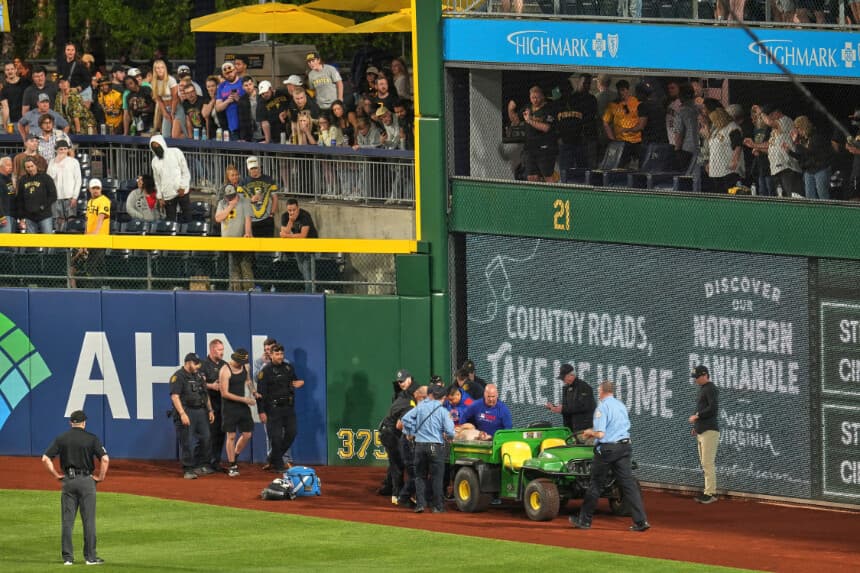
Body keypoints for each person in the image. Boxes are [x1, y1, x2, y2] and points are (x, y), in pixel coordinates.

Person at [569, 381, 650, 532]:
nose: (598, 394)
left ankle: (584, 521)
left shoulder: (602, 407)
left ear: (602, 391)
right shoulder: (620, 405)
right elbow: (613, 427)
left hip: (608, 450)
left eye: (599, 391)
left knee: (595, 485)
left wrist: (588, 433)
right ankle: (641, 521)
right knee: (628, 485)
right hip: (625, 447)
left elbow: (600, 434)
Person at [41, 409, 109, 566]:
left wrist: (56, 475)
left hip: (68, 482)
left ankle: (68, 558)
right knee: (89, 521)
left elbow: (45, 459)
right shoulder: (92, 439)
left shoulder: (62, 438)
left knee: (67, 521)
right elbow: (105, 459)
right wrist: (101, 477)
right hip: (87, 481)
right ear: (84, 422)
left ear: (71, 422)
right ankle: (90, 558)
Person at [401, 384, 456, 514]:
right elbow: (450, 432)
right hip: (435, 447)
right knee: (437, 477)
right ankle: (437, 507)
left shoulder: (420, 407)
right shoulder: (443, 411)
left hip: (419, 446)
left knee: (420, 476)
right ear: (442, 398)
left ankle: (420, 504)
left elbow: (405, 419)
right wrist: (447, 435)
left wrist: (412, 431)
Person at [257, 343, 305, 473]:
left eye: (281, 354)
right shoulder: (265, 371)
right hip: (273, 409)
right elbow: (260, 394)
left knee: (292, 433)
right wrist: (261, 411)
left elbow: (295, 381)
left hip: (288, 408)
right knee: (276, 437)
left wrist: (300, 383)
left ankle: (273, 457)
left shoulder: (288, 368)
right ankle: (278, 465)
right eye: (277, 354)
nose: (280, 356)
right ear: (271, 355)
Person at [170, 353, 215, 479]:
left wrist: (210, 410)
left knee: (206, 438)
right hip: (187, 411)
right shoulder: (178, 376)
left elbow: (205, 394)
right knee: (187, 441)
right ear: (188, 362)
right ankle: (188, 469)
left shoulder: (199, 376)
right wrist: (182, 414)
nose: (197, 366)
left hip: (200, 411)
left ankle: (200, 465)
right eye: (195, 363)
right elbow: (175, 396)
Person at [378, 373, 418, 502]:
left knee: (395, 461)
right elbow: (400, 425)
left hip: (390, 432)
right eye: (399, 382)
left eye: (403, 381)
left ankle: (389, 488)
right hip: (390, 433)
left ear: (410, 379)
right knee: (398, 463)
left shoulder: (405, 395)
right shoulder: (408, 401)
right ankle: (397, 494)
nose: (401, 384)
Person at [507, 86, 558, 182]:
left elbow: (546, 127)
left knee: (548, 177)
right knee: (531, 177)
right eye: (532, 97)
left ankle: (554, 196)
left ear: (542, 97)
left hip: (545, 149)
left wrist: (530, 121)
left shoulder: (549, 108)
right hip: (530, 149)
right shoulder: (528, 107)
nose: (534, 100)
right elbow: (516, 122)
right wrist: (510, 110)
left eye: (537, 97)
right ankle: (535, 197)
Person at [219, 348, 256, 477]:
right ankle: (232, 465)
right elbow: (224, 393)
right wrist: (244, 399)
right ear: (235, 359)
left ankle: (234, 456)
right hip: (229, 407)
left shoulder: (246, 366)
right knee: (231, 436)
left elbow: (248, 381)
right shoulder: (225, 370)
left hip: (242, 406)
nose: (243, 363)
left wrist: (254, 392)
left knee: (247, 434)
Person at [556, 73, 598, 179]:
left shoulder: (591, 99)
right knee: (567, 170)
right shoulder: (562, 102)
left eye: (589, 83)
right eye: (584, 83)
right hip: (567, 140)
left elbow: (589, 117)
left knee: (586, 169)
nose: (587, 86)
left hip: (584, 139)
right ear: (578, 82)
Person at [689, 365, 720, 504]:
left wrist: (697, 416)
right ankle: (708, 491)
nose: (695, 380)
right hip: (703, 430)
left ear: (705, 375)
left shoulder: (710, 388)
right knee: (705, 463)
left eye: (697, 377)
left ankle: (710, 493)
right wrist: (697, 426)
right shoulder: (704, 389)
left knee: (708, 463)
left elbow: (713, 409)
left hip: (709, 431)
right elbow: (703, 409)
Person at [214, 184, 254, 291]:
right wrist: (231, 206)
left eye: (232, 196)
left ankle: (249, 291)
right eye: (228, 197)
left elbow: (248, 219)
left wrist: (247, 233)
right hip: (229, 241)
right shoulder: (222, 203)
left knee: (245, 266)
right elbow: (218, 218)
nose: (230, 198)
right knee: (233, 268)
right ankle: (236, 291)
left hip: (242, 239)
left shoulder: (244, 201)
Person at [546, 363, 595, 444]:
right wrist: (555, 408)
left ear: (571, 375)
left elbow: (584, 406)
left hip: (584, 429)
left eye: (563, 378)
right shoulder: (566, 388)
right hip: (571, 430)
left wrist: (563, 409)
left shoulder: (584, 387)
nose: (563, 380)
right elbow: (567, 408)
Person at [787, 116, 833, 200]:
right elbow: (801, 156)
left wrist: (797, 143)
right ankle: (813, 212)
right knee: (809, 195)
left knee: (822, 193)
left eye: (797, 127)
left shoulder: (815, 136)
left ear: (803, 126)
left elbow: (811, 152)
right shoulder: (802, 139)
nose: (796, 130)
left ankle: (827, 212)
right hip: (809, 169)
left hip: (820, 168)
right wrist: (789, 152)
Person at [200, 339, 228, 472]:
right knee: (209, 435)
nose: (222, 352)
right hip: (208, 406)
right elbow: (198, 384)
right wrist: (212, 385)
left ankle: (216, 462)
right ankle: (205, 463)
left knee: (220, 434)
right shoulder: (203, 365)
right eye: (219, 350)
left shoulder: (224, 364)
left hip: (222, 406)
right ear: (212, 350)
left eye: (222, 350)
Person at [279, 198, 318, 293]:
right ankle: (310, 288)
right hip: (297, 245)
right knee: (302, 268)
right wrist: (291, 221)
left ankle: (310, 291)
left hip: (310, 244)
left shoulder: (305, 215)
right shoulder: (285, 216)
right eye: (289, 210)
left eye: (294, 210)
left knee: (307, 268)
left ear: (298, 208)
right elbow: (284, 234)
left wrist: (287, 235)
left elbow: (303, 236)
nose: (291, 212)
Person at [149, 134, 191, 222]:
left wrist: (183, 187)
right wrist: (160, 197)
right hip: (168, 195)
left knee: (187, 218)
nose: (156, 147)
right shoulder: (154, 162)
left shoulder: (176, 152)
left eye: (157, 144)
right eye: (153, 146)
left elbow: (185, 171)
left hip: (182, 192)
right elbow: (157, 181)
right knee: (170, 221)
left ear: (162, 143)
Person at [603, 80, 641, 168]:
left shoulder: (636, 102)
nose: (621, 93)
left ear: (628, 90)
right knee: (621, 166)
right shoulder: (613, 104)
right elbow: (605, 122)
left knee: (637, 167)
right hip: (621, 141)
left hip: (637, 140)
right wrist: (612, 139)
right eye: (619, 90)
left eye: (623, 90)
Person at [237, 155, 278, 238]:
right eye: (252, 169)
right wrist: (250, 200)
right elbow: (240, 202)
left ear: (259, 167)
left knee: (268, 248)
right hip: (251, 221)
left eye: (255, 168)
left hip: (267, 219)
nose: (254, 170)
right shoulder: (242, 183)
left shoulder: (269, 180)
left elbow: (275, 198)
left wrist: (272, 214)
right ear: (248, 169)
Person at [46, 139, 81, 232]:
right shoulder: (52, 162)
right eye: (61, 149)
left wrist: (75, 197)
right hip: (56, 197)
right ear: (56, 150)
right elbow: (49, 178)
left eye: (65, 149)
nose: (63, 151)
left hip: (70, 196)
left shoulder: (74, 162)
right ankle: (59, 244)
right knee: (58, 220)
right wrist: (57, 163)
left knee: (71, 219)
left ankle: (72, 244)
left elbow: (78, 180)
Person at [16, 156, 56, 234]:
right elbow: (20, 199)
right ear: (25, 168)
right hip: (29, 216)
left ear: (36, 165)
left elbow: (53, 195)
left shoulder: (46, 178)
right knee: (31, 243)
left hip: (44, 215)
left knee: (48, 241)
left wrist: (43, 206)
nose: (30, 169)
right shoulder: (23, 180)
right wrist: (21, 217)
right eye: (28, 167)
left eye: (32, 166)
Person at [215, 61, 244, 140]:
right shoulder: (221, 86)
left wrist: (239, 100)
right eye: (226, 73)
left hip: (245, 123)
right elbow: (217, 107)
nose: (229, 74)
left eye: (230, 71)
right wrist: (228, 101)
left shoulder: (243, 82)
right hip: (231, 125)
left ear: (235, 70)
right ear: (223, 75)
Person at [1, 60, 31, 125]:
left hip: (28, 120)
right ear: (5, 72)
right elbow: (5, 107)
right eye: (7, 70)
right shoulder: (3, 88)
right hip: (13, 122)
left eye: (12, 69)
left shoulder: (26, 82)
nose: (10, 71)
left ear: (15, 70)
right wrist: (5, 124)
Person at [0, 157, 14, 233]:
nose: (11, 167)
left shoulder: (8, 179)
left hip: (10, 214)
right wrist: (1, 216)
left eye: (11, 165)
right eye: (8, 165)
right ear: (1, 166)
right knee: (4, 242)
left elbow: (12, 195)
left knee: (9, 242)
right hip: (3, 215)